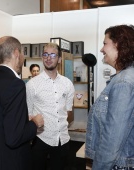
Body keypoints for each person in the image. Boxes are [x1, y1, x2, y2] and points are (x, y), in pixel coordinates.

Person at [0, 36, 44, 170]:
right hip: (6, 161)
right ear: (16, 53)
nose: (22, 56)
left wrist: (21, 119)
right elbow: (14, 138)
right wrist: (34, 124)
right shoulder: (15, 84)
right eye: (22, 52)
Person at [85, 24, 134, 170]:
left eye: (105, 43)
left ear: (119, 44)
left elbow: (112, 139)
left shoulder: (123, 83)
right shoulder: (124, 78)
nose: (101, 49)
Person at [26, 42, 75, 170]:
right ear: (42, 57)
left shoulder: (67, 83)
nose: (48, 58)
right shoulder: (32, 84)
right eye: (45, 54)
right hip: (40, 139)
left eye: (53, 55)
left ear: (59, 59)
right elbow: (28, 113)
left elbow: (69, 112)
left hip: (62, 139)